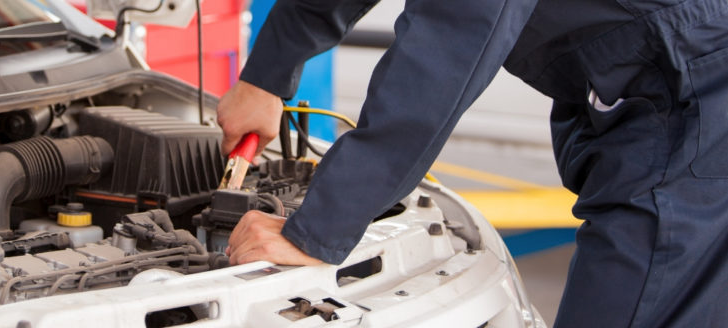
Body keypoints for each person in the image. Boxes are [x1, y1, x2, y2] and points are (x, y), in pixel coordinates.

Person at [218, 0, 728, 326]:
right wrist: (265, 76)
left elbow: (449, 45)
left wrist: (318, 229)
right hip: (659, 78)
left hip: (693, 93)